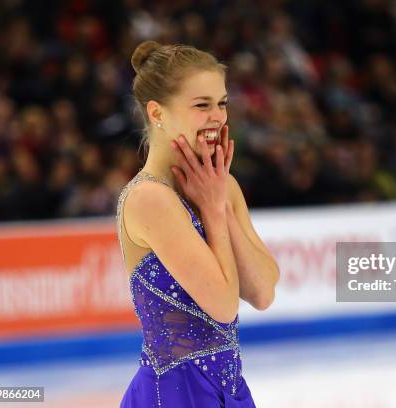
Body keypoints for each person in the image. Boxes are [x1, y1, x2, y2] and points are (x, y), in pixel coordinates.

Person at [116, 40, 279, 408]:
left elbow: (263, 291)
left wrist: (216, 202)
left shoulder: (220, 185)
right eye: (201, 105)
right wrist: (213, 207)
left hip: (229, 388)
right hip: (175, 393)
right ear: (157, 113)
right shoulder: (149, 199)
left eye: (221, 103)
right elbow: (223, 305)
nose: (218, 117)